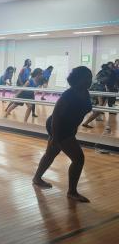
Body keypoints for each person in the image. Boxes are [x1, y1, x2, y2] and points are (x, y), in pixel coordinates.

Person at [33, 66, 93, 203]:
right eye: (87, 77)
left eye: (90, 77)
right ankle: (72, 192)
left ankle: (37, 178)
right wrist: (55, 136)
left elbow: (78, 113)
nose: (90, 80)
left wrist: (73, 129)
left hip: (68, 128)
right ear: (78, 79)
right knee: (78, 159)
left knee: (51, 153)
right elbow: (56, 117)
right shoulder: (69, 95)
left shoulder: (85, 92)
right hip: (59, 128)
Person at [82, 63, 116, 129]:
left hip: (94, 89)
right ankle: (86, 122)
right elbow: (105, 83)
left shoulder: (101, 72)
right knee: (99, 107)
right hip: (98, 89)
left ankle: (87, 122)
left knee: (97, 107)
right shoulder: (108, 73)